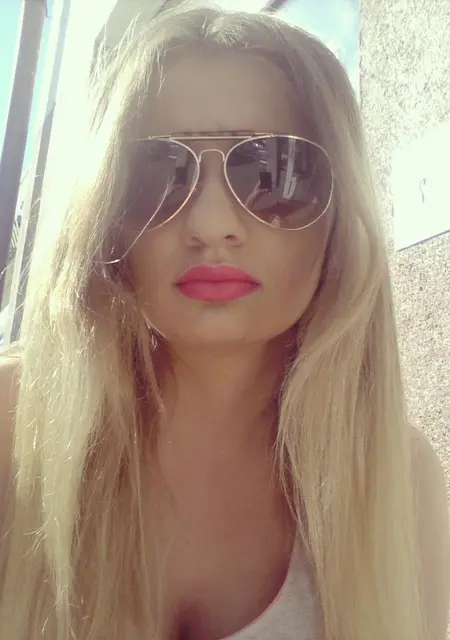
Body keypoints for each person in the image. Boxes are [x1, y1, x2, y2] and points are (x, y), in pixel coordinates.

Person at [0, 4, 448, 640]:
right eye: (156, 174)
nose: (211, 224)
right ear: (105, 213)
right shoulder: (13, 428)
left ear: (340, 218)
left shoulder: (395, 480)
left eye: (274, 173)